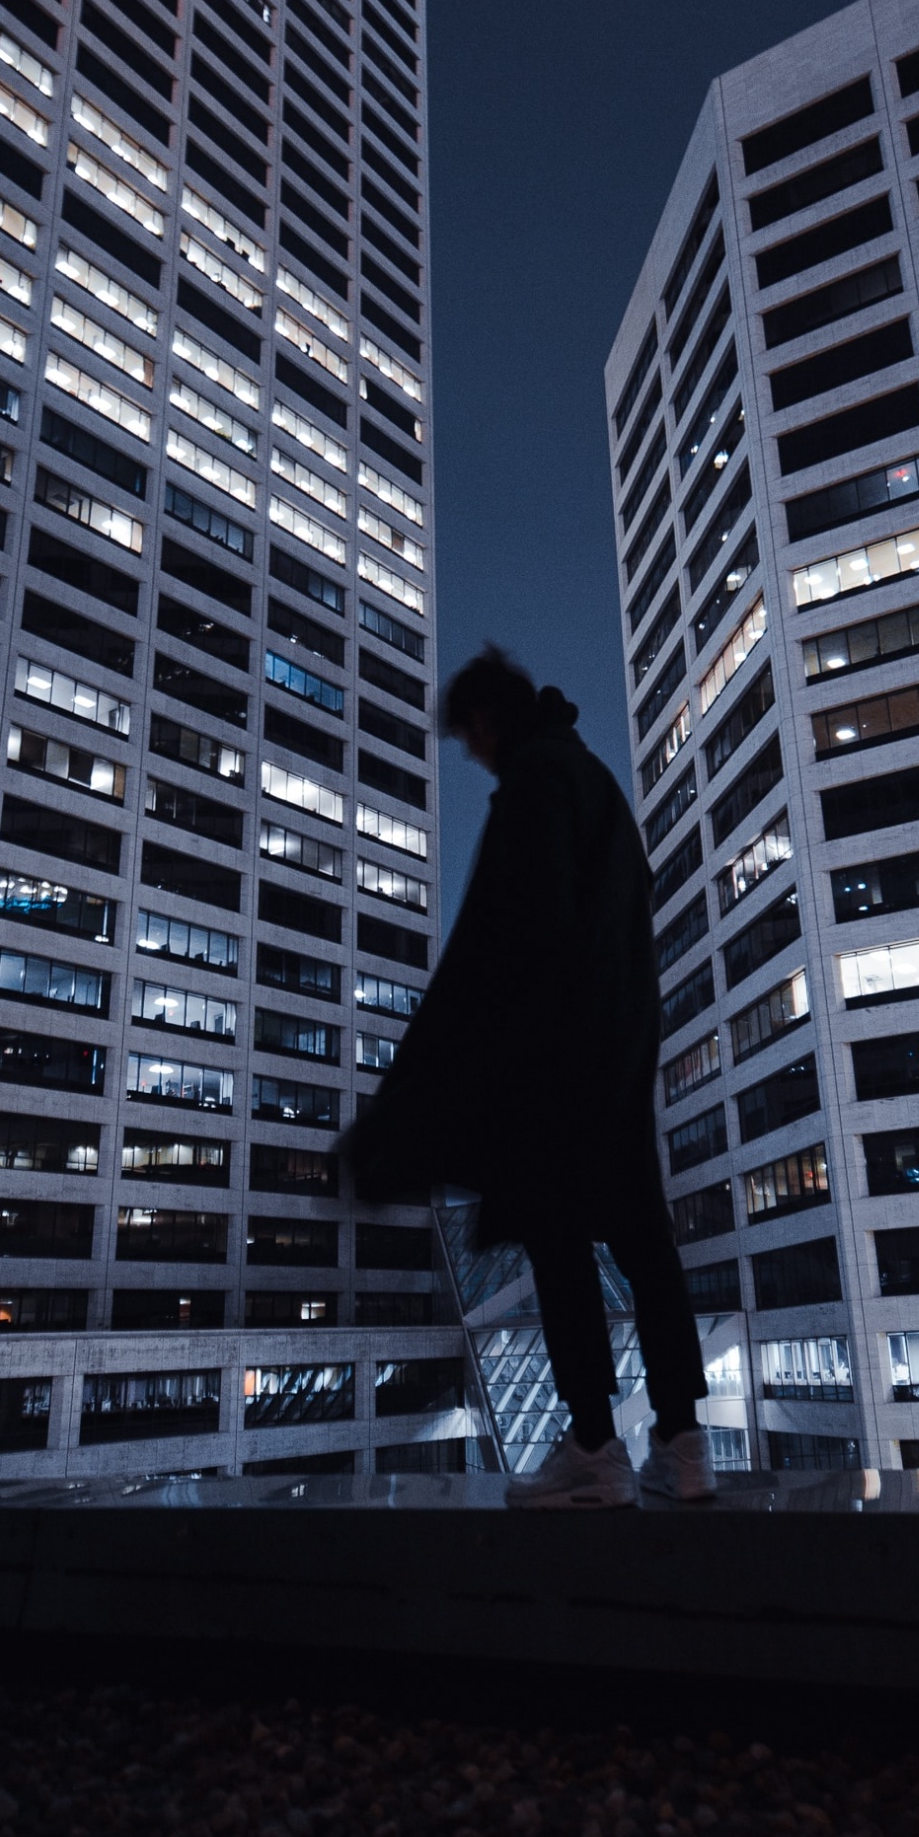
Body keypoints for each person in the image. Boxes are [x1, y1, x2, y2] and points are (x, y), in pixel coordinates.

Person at [340, 646, 714, 1508]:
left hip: (558, 1063)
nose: (473, 758)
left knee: (558, 1244)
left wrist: (409, 1102)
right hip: (621, 1048)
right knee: (643, 1244)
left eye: (469, 740)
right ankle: (683, 1442)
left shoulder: (536, 788)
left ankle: (593, 1447)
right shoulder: (595, 784)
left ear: (484, 720)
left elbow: (491, 950)